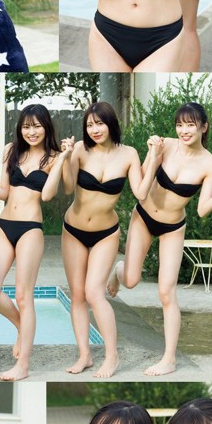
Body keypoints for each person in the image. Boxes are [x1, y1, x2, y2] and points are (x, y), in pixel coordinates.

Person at [107, 102, 212, 376]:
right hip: (143, 218)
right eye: (180, 124)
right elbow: (141, 188)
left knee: (166, 292)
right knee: (131, 280)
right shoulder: (165, 144)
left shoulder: (210, 164)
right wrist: (152, 154)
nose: (183, 130)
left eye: (190, 124)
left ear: (203, 127)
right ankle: (118, 272)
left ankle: (168, 359)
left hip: (172, 227)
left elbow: (202, 210)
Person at [62, 102, 161, 379]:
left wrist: (153, 157)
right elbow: (69, 187)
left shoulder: (128, 154)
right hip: (73, 230)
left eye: (99, 123)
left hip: (106, 233)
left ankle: (111, 356)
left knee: (94, 292)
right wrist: (67, 157)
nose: (94, 129)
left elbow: (141, 192)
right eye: (89, 125)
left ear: (110, 123)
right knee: (78, 294)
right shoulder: (81, 149)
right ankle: (84, 355)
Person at [0, 104, 71, 380]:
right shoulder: (10, 150)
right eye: (26, 126)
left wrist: (62, 159)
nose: (31, 131)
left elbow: (49, 194)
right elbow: (4, 191)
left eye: (37, 126)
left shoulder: (53, 157)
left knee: (23, 296)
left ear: (46, 127)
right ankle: (21, 326)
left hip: (30, 229)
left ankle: (23, 365)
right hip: (5, 227)